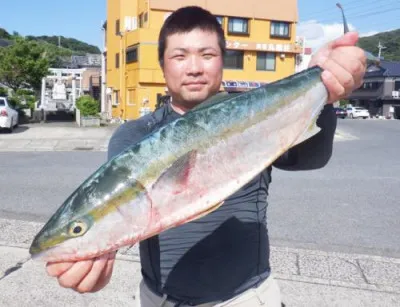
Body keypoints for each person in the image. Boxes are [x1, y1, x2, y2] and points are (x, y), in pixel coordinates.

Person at [45, 6, 366, 307]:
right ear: (162, 65)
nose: (195, 67)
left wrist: (325, 85)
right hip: (161, 299)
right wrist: (98, 257)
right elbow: (121, 210)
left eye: (207, 54)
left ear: (222, 61)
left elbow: (311, 157)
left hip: (246, 299)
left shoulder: (257, 109)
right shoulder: (134, 135)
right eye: (180, 55)